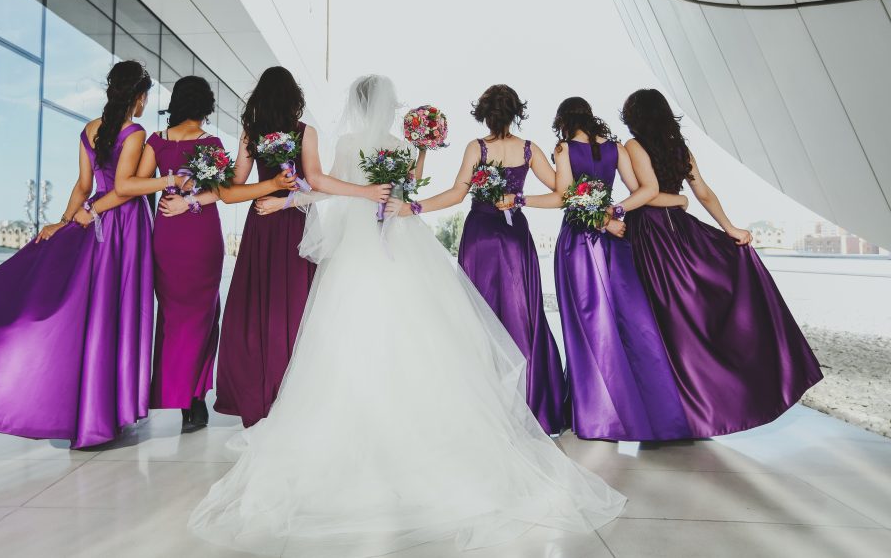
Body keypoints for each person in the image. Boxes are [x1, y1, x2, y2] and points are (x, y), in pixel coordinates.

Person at [188, 75, 625, 558]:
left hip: (359, 247)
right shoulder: (398, 144)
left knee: (348, 333)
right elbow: (403, 190)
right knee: (417, 331)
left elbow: (325, 188)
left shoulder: (350, 142)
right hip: (397, 239)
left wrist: (291, 199)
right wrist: (406, 176)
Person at [0, 60, 156, 448]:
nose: (143, 104)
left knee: (93, 313)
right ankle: (108, 411)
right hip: (119, 225)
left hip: (93, 223)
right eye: (144, 97)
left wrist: (65, 222)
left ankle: (94, 411)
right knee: (116, 312)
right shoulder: (135, 132)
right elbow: (122, 189)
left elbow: (82, 184)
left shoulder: (89, 130)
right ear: (138, 96)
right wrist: (83, 215)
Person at [620, 88, 823, 437]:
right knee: (687, 318)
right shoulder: (679, 148)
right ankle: (695, 406)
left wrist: (629, 208)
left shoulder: (633, 146)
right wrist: (727, 227)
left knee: (662, 319)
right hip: (681, 232)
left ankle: (676, 410)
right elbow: (703, 193)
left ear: (635, 116)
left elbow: (646, 194)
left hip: (651, 236)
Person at [115, 75, 297, 434]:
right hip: (200, 233)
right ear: (205, 107)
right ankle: (195, 401)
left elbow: (132, 185)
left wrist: (169, 186)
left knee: (172, 315)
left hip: (168, 232)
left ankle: (178, 395)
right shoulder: (210, 143)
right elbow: (221, 192)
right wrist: (183, 191)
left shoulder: (156, 141)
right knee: (201, 315)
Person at [220, 66, 394, 427]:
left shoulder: (250, 133)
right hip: (294, 223)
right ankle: (291, 396)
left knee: (257, 308)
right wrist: (364, 192)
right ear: (293, 98)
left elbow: (232, 190)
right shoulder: (304, 132)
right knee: (294, 309)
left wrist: (266, 190)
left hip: (262, 220)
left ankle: (259, 396)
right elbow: (316, 180)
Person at [392, 84, 569, 434]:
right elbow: (562, 194)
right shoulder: (529, 149)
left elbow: (458, 194)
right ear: (517, 112)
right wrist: (520, 199)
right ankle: (531, 405)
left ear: (484, 114)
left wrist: (413, 208)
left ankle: (484, 407)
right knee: (523, 314)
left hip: (480, 238)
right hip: (515, 237)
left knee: (477, 315)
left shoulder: (478, 147)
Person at [514, 97, 692, 441]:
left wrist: (523, 200)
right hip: (616, 244)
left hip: (578, 244)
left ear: (564, 120)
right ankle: (660, 415)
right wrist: (616, 213)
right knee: (632, 323)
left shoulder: (564, 148)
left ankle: (597, 417)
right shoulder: (616, 148)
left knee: (585, 327)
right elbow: (648, 189)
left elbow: (565, 197)